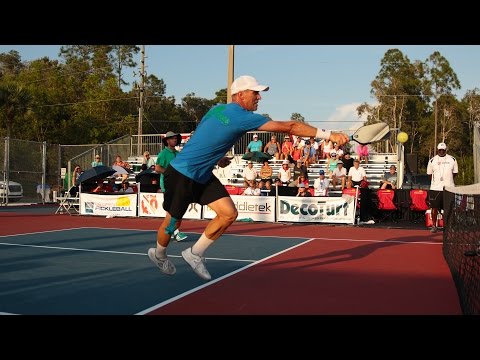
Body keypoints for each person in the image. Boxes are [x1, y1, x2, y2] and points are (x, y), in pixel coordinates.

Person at [148, 75, 349, 280]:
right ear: (240, 94)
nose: (259, 97)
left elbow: (206, 136)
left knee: (228, 214)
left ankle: (194, 253)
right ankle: (159, 254)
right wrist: (328, 135)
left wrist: (216, 160)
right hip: (181, 173)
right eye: (255, 93)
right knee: (173, 224)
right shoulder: (243, 116)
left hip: (203, 174)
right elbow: (291, 127)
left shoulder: (216, 109)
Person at [155, 131, 188, 242]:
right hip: (168, 185)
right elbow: (157, 168)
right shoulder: (163, 153)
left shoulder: (178, 154)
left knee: (174, 208)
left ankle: (172, 230)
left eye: (175, 138)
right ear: (167, 141)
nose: (174, 140)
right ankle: (175, 232)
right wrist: (170, 173)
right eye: (172, 138)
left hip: (177, 185)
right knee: (173, 209)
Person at [427, 142, 458, 233]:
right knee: (434, 208)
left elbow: (455, 173)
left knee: (449, 208)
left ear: (445, 150)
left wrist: (448, 181)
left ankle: (449, 225)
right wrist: (436, 182)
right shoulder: (432, 160)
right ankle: (434, 225)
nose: (441, 152)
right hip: (435, 189)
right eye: (440, 150)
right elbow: (429, 174)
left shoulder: (452, 159)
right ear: (437, 150)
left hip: (449, 188)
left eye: (443, 150)